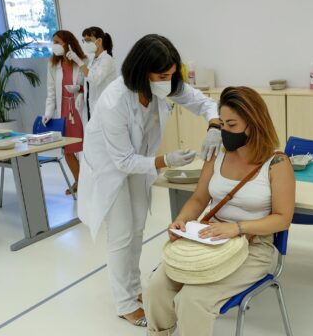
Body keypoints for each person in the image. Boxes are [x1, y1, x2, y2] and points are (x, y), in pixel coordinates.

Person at [77, 34, 223, 327]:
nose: (167, 82)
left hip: (138, 164)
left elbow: (205, 103)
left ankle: (133, 289)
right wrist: (165, 161)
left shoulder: (161, 86)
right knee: (121, 234)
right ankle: (124, 302)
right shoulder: (114, 100)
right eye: (162, 75)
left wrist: (214, 126)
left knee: (138, 227)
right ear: (142, 71)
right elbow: (122, 161)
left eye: (171, 75)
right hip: (111, 169)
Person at [144, 86, 295, 336]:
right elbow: (199, 198)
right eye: (222, 124)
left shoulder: (277, 163)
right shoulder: (217, 156)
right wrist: (181, 222)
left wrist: (236, 228)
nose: (225, 131)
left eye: (232, 125)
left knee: (192, 300)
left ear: (254, 123)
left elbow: (283, 219)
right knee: (156, 287)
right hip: (210, 238)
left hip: (252, 247)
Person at [45, 30, 89, 195]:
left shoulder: (83, 61)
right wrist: (48, 112)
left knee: (86, 148)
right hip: (64, 110)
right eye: (54, 42)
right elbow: (50, 91)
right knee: (68, 149)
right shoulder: (52, 65)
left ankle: (89, 182)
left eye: (58, 42)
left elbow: (92, 84)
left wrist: (80, 89)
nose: (55, 45)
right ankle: (79, 182)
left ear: (68, 43)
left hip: (80, 108)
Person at [75, 26, 117, 121]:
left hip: (104, 108)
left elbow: (95, 79)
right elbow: (89, 82)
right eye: (84, 40)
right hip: (92, 107)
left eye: (89, 40)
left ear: (99, 41)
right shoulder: (93, 60)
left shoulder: (107, 60)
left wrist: (79, 62)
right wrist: (83, 94)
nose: (86, 43)